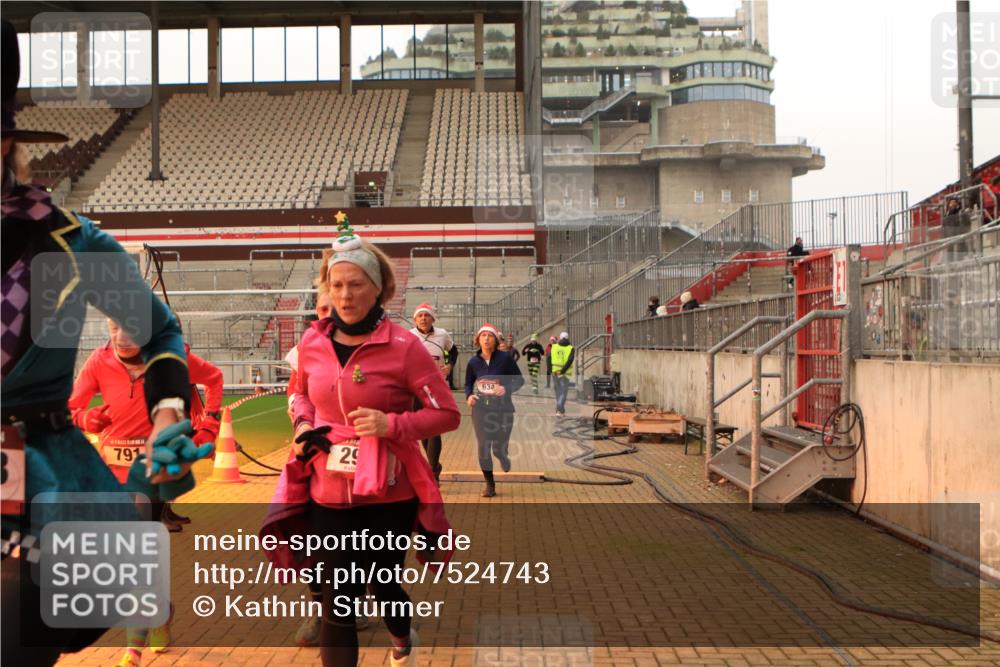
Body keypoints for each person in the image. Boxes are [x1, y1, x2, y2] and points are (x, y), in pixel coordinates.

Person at [0, 20, 211, 667]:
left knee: (19, 639)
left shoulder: (68, 241)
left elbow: (159, 330)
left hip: (30, 470)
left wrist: (168, 413)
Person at [260, 217, 460, 667]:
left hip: (389, 496)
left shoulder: (407, 347)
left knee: (383, 585)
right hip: (326, 491)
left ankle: (402, 639)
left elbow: (446, 414)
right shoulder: (312, 342)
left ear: (379, 289)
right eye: (337, 285)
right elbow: (298, 393)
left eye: (356, 285)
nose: (345, 296)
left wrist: (392, 426)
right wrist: (302, 425)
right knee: (338, 599)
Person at [464, 323, 524, 498]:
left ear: (496, 340)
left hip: (503, 408)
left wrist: (506, 388)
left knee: (498, 445)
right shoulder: (473, 362)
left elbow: (519, 380)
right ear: (478, 340)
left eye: (490, 336)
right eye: (483, 336)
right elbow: (468, 383)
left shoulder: (505, 359)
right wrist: (469, 396)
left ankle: (501, 454)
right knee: (484, 446)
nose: (486, 339)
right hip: (481, 409)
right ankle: (490, 484)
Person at [408, 302, 457, 484]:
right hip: (415, 389)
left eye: (426, 315)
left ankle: (432, 472)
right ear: (415, 319)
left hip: (436, 387)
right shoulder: (409, 336)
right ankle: (434, 467)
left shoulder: (442, 334)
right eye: (420, 316)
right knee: (422, 429)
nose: (423, 319)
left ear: (432, 318)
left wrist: (450, 365)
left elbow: (454, 351)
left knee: (434, 429)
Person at [550, 331, 575, 416]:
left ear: (560, 338)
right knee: (563, 392)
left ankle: (560, 410)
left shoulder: (554, 347)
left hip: (555, 373)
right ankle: (559, 408)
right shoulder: (571, 348)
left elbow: (548, 358)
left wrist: (550, 370)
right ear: (568, 338)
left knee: (558, 392)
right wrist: (563, 370)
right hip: (565, 374)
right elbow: (570, 361)